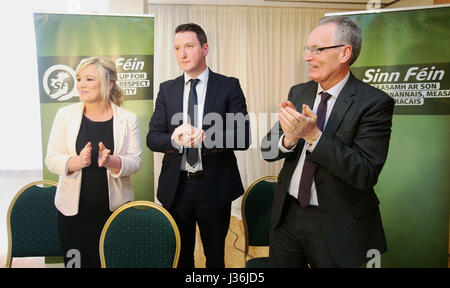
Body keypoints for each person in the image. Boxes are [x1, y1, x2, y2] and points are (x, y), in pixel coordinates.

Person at [261, 16, 395, 268]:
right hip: (287, 217)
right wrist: (288, 139)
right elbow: (267, 150)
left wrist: (314, 137)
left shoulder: (374, 103)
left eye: (317, 50)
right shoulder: (299, 92)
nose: (307, 57)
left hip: (337, 225)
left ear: (345, 53)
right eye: (307, 49)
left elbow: (364, 173)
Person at [147, 23, 250, 268]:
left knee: (215, 257)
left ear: (205, 48)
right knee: (181, 257)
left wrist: (205, 137)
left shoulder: (228, 86)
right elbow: (153, 137)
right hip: (177, 188)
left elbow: (243, 136)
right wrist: (174, 140)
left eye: (189, 46)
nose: (182, 54)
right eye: (177, 48)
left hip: (214, 187)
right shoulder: (167, 89)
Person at [45, 56, 142, 268]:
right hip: (72, 215)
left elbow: (135, 162)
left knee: (111, 264)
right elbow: (51, 160)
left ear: (109, 83)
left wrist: (112, 161)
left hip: (114, 213)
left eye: (89, 79)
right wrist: (76, 161)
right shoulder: (65, 115)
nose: (81, 85)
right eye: (79, 79)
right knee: (75, 265)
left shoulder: (128, 118)